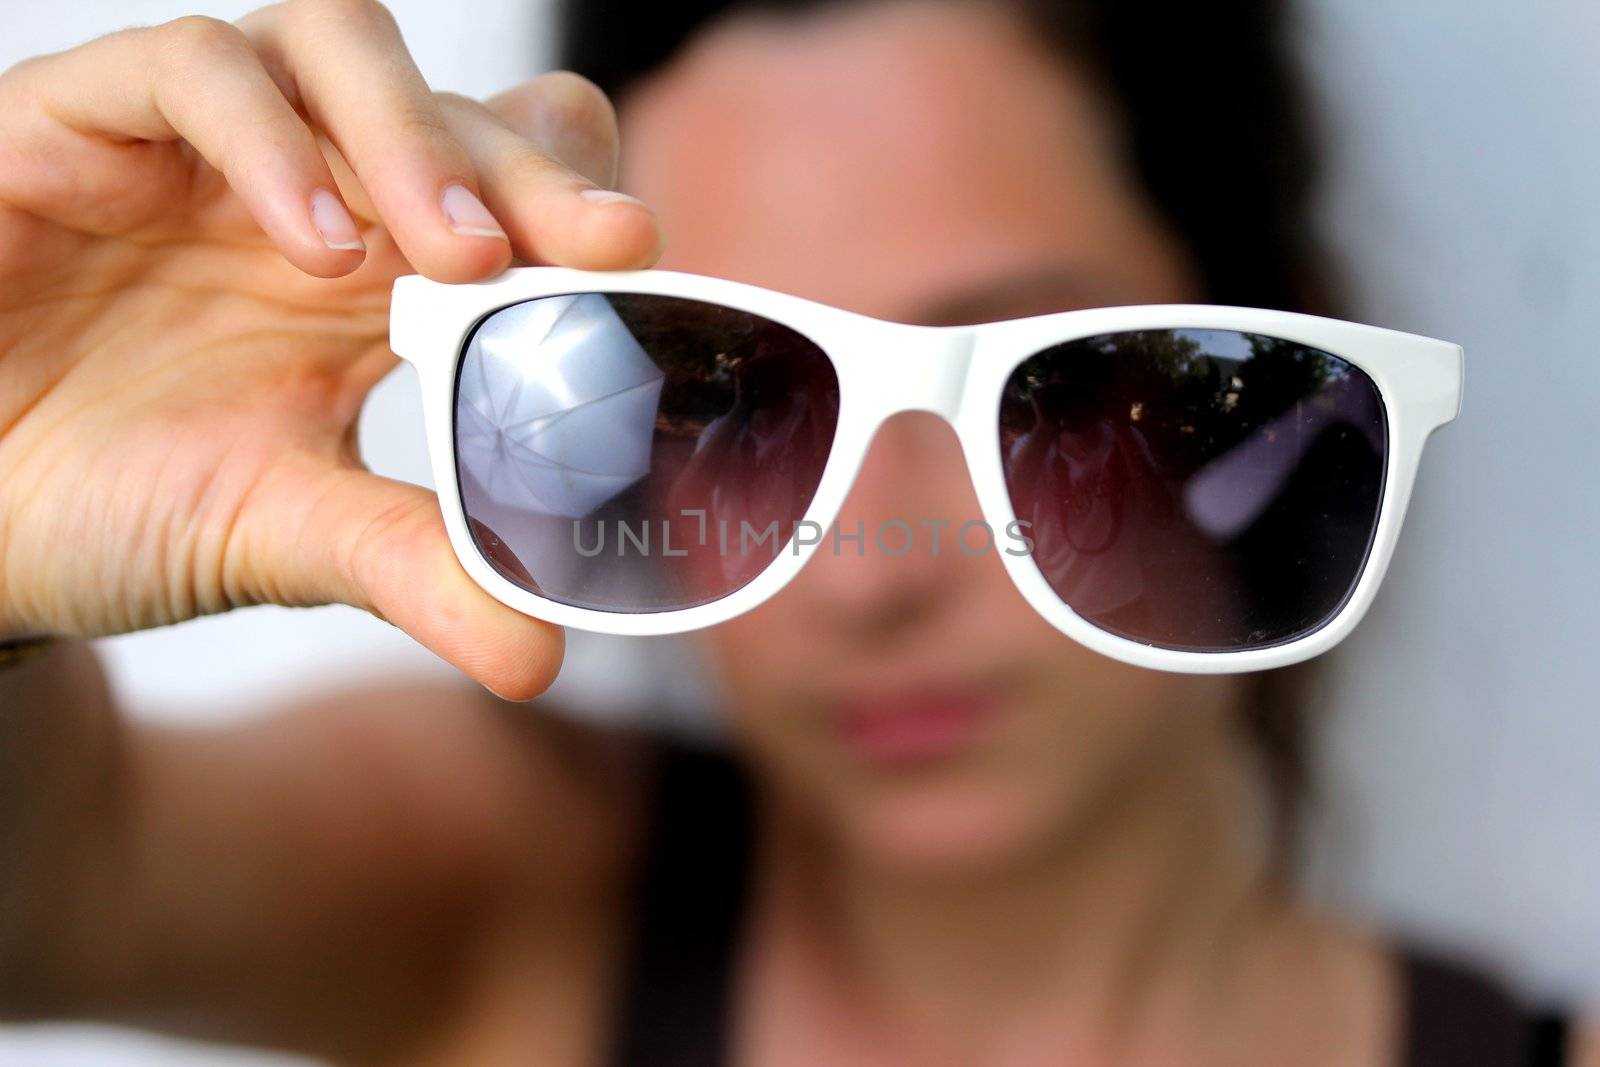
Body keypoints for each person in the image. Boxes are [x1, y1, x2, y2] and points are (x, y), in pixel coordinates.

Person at [0, 0, 1590, 1064]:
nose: (865, 577)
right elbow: (54, 897)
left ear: (1274, 382)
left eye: (1041, 389)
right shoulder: (505, 877)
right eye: (735, 400)